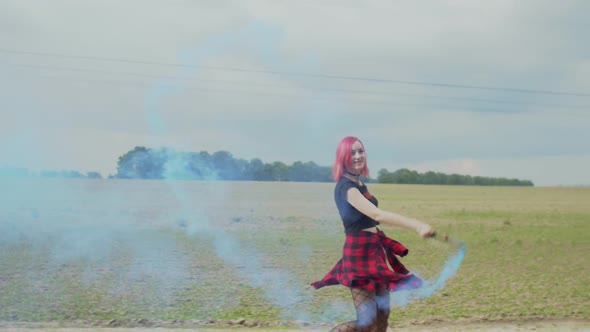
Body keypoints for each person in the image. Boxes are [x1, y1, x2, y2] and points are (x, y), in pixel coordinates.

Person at [311, 136, 436, 332]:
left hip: (374, 251)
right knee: (367, 323)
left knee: (382, 318)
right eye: (352, 153)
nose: (358, 156)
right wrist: (417, 225)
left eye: (361, 151)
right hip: (358, 254)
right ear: (343, 157)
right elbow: (376, 214)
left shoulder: (359, 183)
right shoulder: (346, 187)